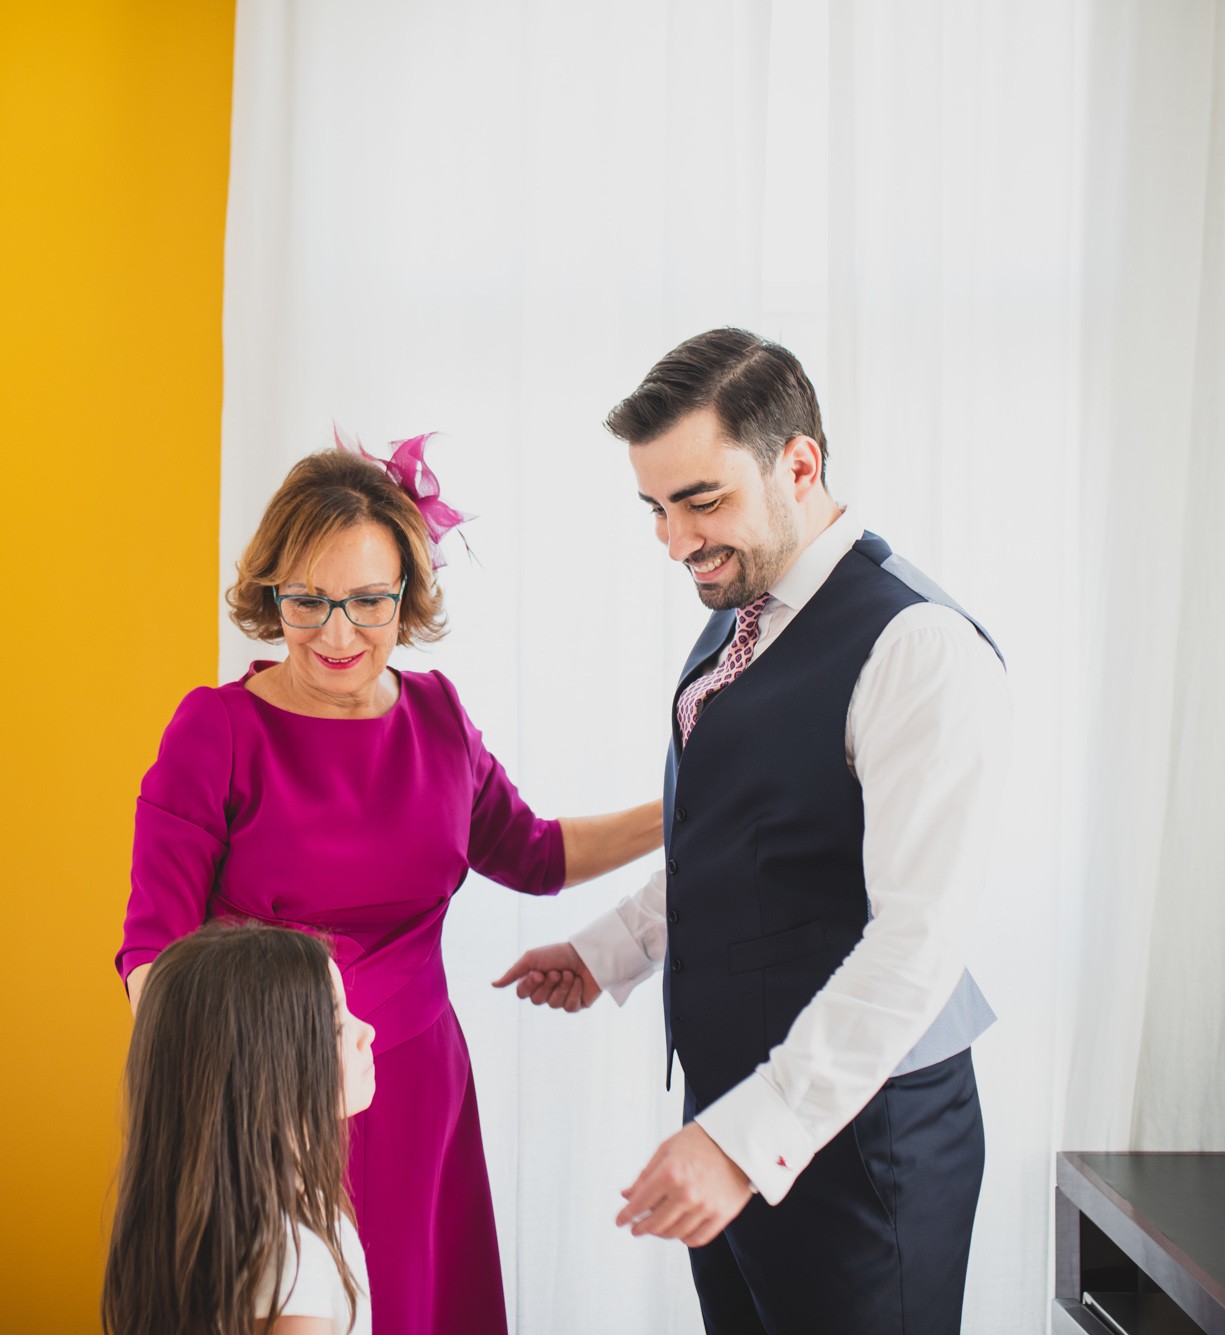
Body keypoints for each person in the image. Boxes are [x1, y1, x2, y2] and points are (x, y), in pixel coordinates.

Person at [496, 329, 1008, 1333]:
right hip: (739, 1109)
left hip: (862, 1141)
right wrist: (610, 951)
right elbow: (738, 837)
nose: (674, 541)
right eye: (654, 508)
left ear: (799, 465)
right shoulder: (742, 607)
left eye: (700, 500)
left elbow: (918, 942)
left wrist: (742, 1141)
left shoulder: (918, 648)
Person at [117, 438, 661, 1335]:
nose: (337, 634)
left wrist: (683, 808)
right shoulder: (214, 732)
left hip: (414, 1089)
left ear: (406, 595)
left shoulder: (440, 717)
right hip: (265, 1107)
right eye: (308, 601)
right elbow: (153, 954)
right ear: (271, 593)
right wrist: (216, 1104)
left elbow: (534, 854)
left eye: (368, 602)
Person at [102, 921, 377, 1335]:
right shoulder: (292, 1257)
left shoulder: (239, 1225)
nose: (366, 1032)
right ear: (264, 1072)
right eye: (337, 1026)